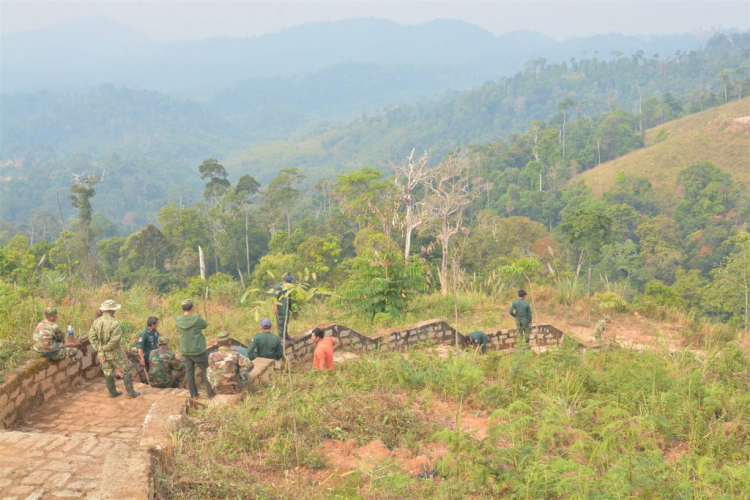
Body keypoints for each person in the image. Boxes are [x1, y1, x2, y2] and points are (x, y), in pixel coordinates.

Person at [89, 299, 140, 398]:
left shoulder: (96, 322)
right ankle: (130, 393)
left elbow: (92, 337)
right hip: (115, 353)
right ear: (112, 310)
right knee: (126, 370)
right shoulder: (115, 323)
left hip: (102, 354)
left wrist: (100, 349)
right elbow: (115, 340)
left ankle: (112, 392)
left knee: (107, 371)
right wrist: (105, 347)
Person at [175, 299, 215, 399]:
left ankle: (193, 394)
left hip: (185, 350)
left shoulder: (178, 319)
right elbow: (205, 325)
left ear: (182, 308)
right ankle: (211, 394)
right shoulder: (197, 318)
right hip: (198, 350)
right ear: (192, 308)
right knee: (206, 370)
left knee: (189, 372)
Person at [274, 274, 293, 340]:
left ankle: (285, 335)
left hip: (286, 308)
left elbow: (289, 298)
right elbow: (275, 298)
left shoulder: (288, 288)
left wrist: (291, 309)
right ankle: (281, 336)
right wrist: (275, 308)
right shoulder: (278, 287)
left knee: (286, 322)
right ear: (285, 282)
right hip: (281, 308)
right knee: (281, 322)